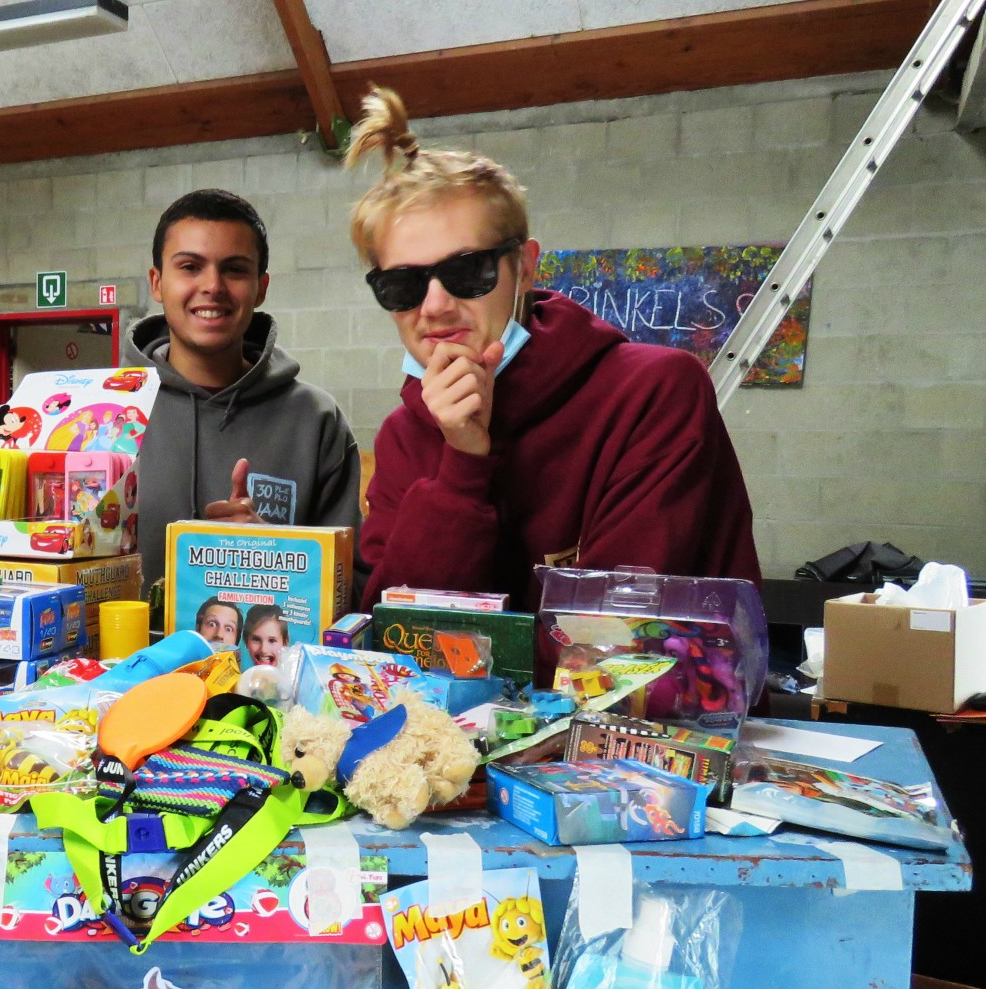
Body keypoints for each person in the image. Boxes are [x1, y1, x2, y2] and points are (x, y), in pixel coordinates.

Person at [346, 87, 760, 612]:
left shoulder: (653, 393)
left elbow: (617, 649)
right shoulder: (404, 436)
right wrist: (462, 464)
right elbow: (395, 639)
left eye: (467, 271)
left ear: (524, 267)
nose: (434, 306)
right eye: (401, 286)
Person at [128, 189, 365, 592]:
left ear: (260, 287)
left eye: (234, 270)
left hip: (266, 656)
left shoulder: (316, 421)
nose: (213, 286)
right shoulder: (99, 411)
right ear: (157, 281)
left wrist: (272, 556)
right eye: (190, 267)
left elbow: (351, 591)